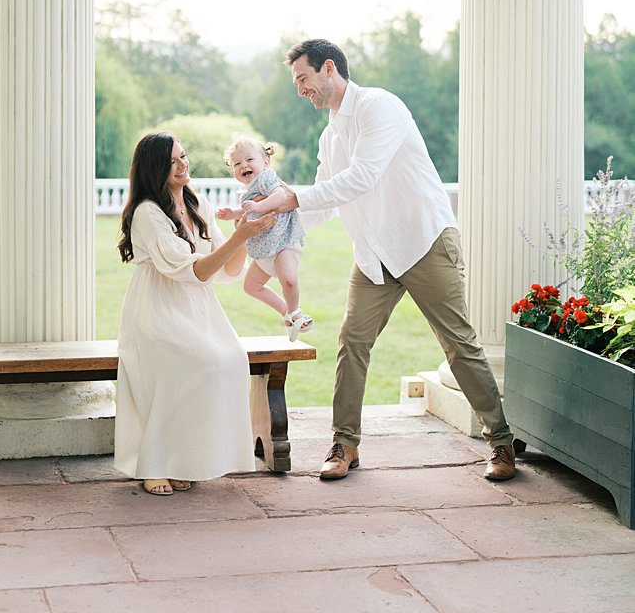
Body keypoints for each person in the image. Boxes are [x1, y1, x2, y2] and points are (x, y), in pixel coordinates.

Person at [257, 38, 516, 482]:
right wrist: (272, 219)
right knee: (352, 342)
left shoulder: (380, 107)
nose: (300, 89)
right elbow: (321, 205)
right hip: (375, 255)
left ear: (330, 69)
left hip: (423, 241)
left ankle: (502, 443)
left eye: (303, 78)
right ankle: (345, 444)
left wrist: (291, 197)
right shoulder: (329, 134)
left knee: (458, 344)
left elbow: (361, 177)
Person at [114, 131, 276, 496]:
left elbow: (225, 269)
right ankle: (155, 463)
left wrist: (244, 234)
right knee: (192, 362)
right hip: (157, 308)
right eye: (172, 161)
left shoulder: (197, 202)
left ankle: (183, 458)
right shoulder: (147, 213)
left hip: (196, 307)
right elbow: (191, 269)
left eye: (183, 156)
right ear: (155, 169)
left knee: (231, 358)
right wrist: (239, 237)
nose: (182, 165)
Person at [217, 136, 313, 340]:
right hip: (265, 247)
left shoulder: (267, 178)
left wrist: (259, 207)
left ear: (265, 162)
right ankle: (286, 313)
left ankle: (296, 312)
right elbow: (247, 211)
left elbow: (280, 197)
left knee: (288, 278)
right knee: (251, 286)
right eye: (237, 163)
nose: (244, 165)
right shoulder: (247, 190)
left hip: (283, 242)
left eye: (249, 160)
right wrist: (232, 214)